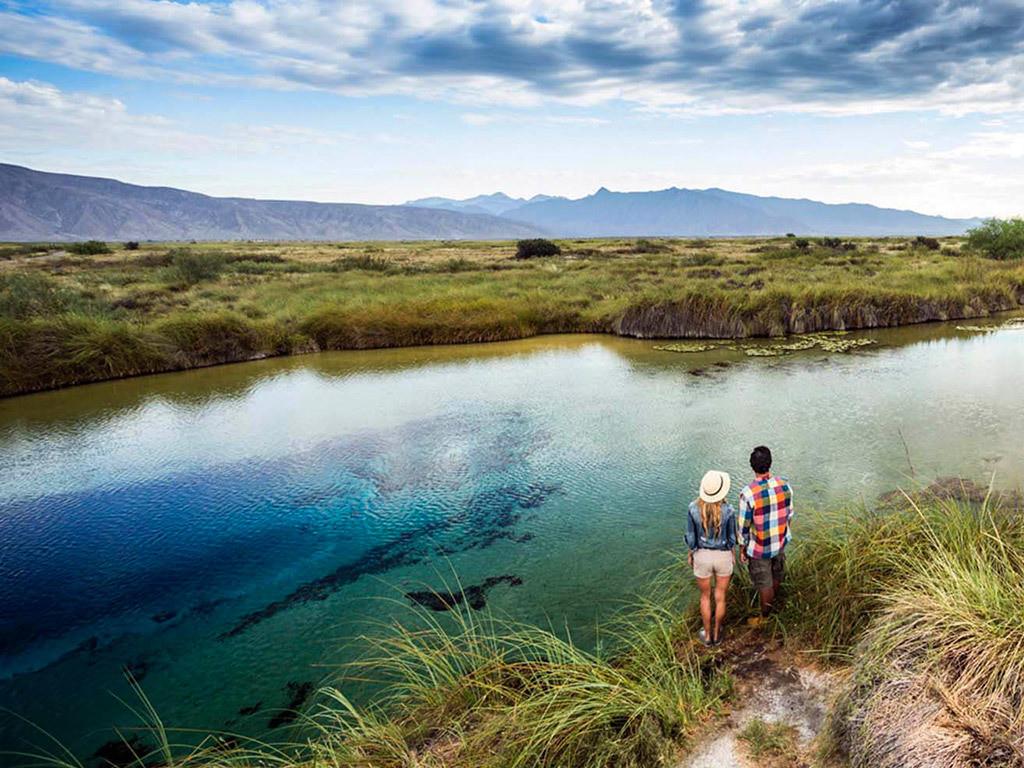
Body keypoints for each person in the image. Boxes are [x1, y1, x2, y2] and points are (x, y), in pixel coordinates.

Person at [737, 445, 793, 619]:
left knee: (764, 584)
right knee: (776, 575)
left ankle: (766, 618)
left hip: (760, 548)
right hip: (780, 541)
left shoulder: (748, 494)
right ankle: (774, 606)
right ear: (770, 463)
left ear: (752, 466)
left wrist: (742, 548)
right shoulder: (785, 486)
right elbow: (790, 514)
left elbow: (743, 527)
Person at [686, 469, 737, 646]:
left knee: (705, 597)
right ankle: (717, 634)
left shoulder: (693, 508)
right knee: (720, 596)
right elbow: (732, 539)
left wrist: (692, 553)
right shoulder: (729, 510)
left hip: (702, 556)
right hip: (723, 556)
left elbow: (691, 538)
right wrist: (732, 553)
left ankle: (707, 636)